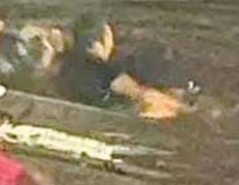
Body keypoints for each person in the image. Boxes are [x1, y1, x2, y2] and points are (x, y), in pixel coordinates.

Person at [57, 15, 192, 120]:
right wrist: (181, 108)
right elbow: (142, 95)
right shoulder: (105, 71)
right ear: (103, 39)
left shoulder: (66, 68)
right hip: (116, 112)